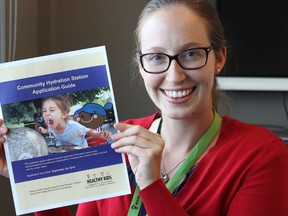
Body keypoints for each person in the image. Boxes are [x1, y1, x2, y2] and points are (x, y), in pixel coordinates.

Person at [1, 0, 288, 215]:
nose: (175, 76)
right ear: (141, 65)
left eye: (191, 54)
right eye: (156, 57)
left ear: (219, 58)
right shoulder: (113, 140)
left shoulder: (262, 156)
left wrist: (152, 187)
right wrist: (28, 178)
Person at [38, 95, 112, 148]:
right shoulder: (52, 126)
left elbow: (89, 131)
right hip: (66, 150)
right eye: (44, 111)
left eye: (52, 110)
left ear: (64, 114)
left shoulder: (73, 126)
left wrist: (100, 135)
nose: (47, 114)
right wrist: (44, 130)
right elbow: (49, 131)